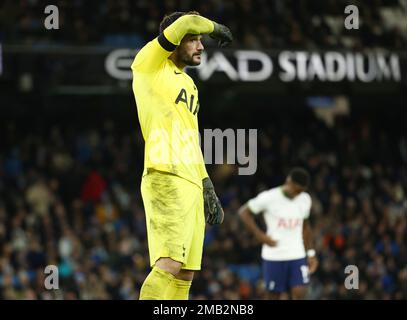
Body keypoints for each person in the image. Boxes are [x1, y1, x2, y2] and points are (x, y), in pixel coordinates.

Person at [131, 11, 233, 300]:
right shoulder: (149, 65)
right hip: (165, 173)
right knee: (170, 262)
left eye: (202, 40)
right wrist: (216, 27)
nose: (201, 46)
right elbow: (187, 21)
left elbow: (191, 137)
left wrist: (206, 184)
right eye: (193, 40)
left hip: (189, 181)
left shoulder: (188, 84)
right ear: (175, 40)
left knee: (186, 271)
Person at [239, 167, 319, 299]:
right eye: (297, 189)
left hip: (296, 255)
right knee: (273, 296)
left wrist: (310, 253)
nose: (298, 193)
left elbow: (305, 227)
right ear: (289, 182)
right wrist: (260, 235)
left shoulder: (305, 199)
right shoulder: (269, 197)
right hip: (274, 255)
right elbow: (244, 213)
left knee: (300, 293)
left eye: (302, 191)